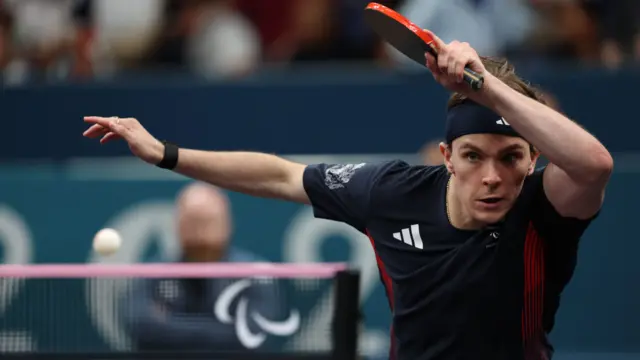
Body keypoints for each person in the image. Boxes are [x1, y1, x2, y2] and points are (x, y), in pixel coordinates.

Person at [85, 32, 613, 360]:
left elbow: (594, 164)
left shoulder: (546, 209)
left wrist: (487, 89)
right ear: (447, 156)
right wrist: (166, 153)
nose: (493, 176)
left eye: (510, 158)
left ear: (534, 160)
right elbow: (280, 176)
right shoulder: (391, 193)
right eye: (474, 156)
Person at [120, 182, 285, 352]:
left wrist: (168, 322)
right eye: (193, 221)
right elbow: (140, 326)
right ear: (177, 224)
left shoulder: (256, 274)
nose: (200, 230)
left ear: (227, 224)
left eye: (207, 221)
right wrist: (224, 327)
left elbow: (254, 335)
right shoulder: (150, 274)